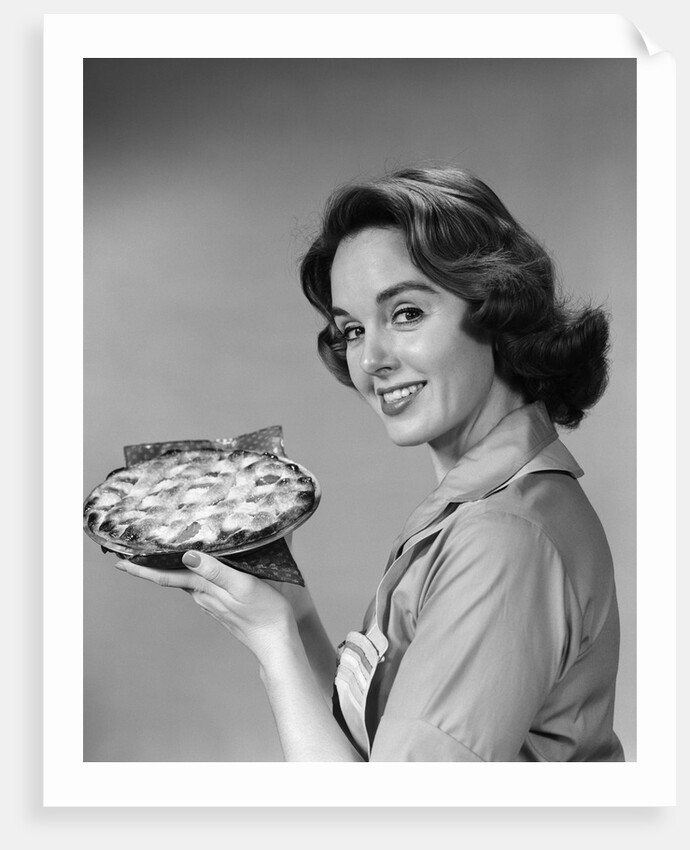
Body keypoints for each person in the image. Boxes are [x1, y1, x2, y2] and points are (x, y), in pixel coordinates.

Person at [115, 166, 625, 762]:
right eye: (351, 329)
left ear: (495, 309)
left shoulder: (504, 539)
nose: (371, 359)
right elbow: (376, 747)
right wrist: (293, 616)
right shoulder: (484, 504)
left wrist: (273, 641)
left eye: (406, 313)